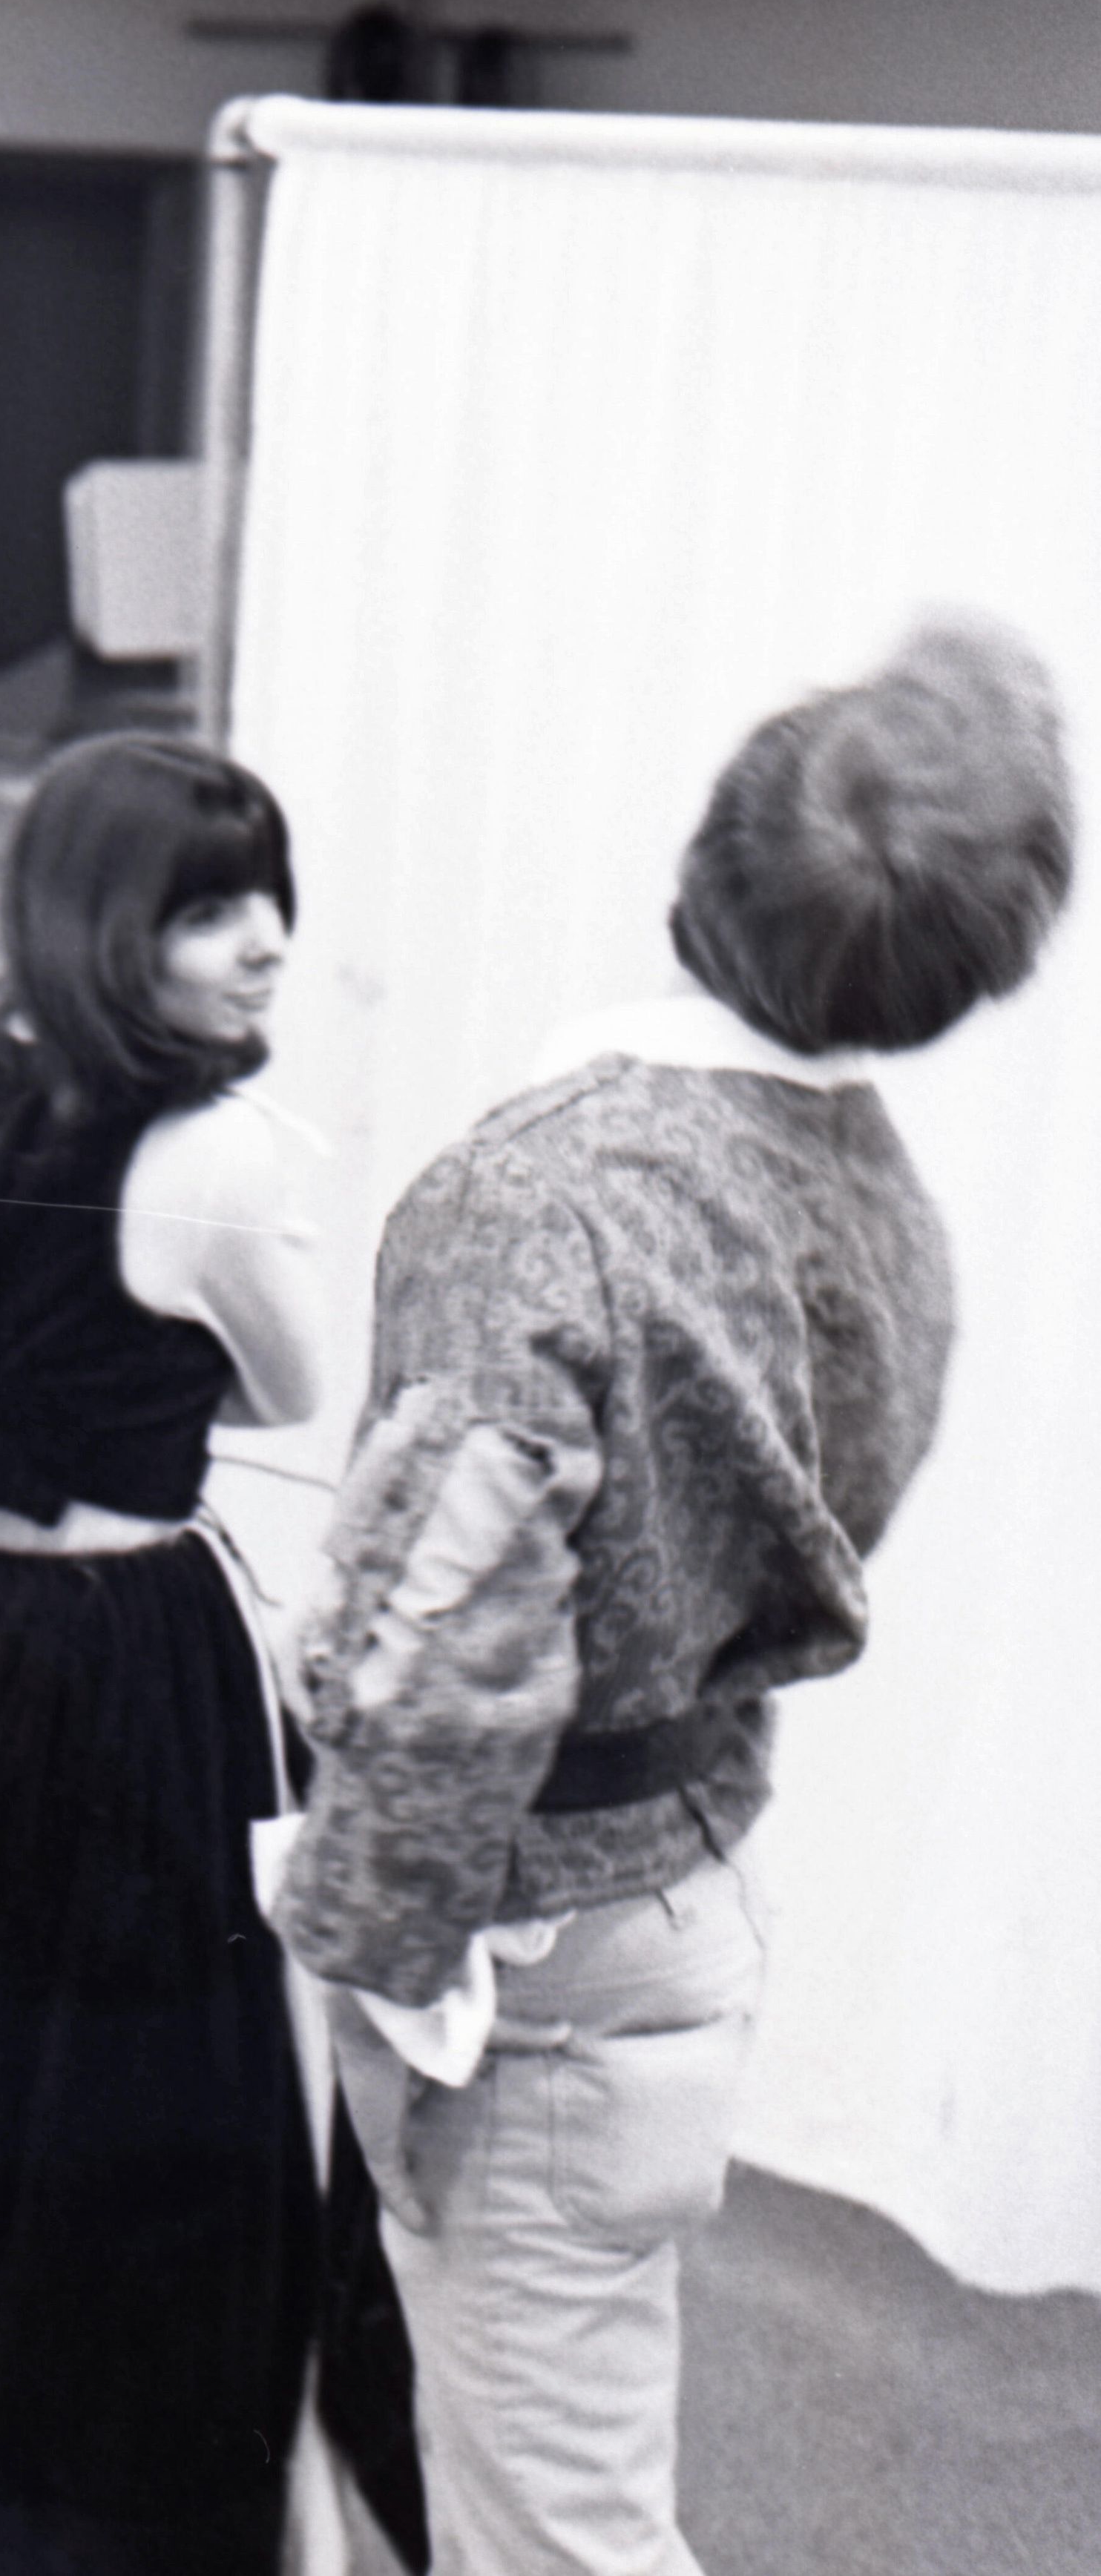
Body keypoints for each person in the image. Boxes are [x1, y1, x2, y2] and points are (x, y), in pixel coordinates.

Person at [274, 616, 1076, 2576]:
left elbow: (443, 1653)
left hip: (524, 1949)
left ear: (707, 859)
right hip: (679, 1884)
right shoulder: (878, 1198)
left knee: (559, 2537)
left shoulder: (536, 1199)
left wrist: (370, 1974)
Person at [0, 734, 329, 2576]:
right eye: (210, 908)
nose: (267, 941)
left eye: (270, 897)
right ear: (105, 919)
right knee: (171, 2116)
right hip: (147, 1652)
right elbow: (292, 1387)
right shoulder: (218, 1150)